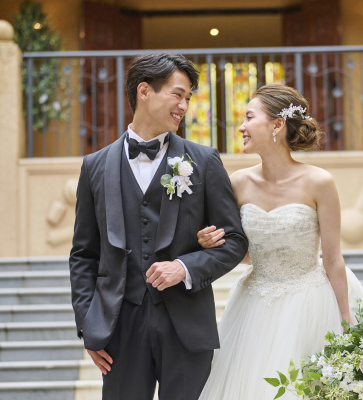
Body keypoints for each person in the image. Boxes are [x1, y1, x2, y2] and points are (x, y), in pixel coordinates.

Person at [197, 84, 363, 400]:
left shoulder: (319, 182)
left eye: (249, 117)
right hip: (254, 306)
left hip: (310, 303)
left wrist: (346, 319)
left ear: (277, 125)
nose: (241, 127)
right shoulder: (237, 183)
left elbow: (333, 258)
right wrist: (214, 243)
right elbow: (246, 255)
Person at [69, 53, 248, 400]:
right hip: (119, 327)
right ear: (144, 92)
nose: (184, 106)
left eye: (188, 98)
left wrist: (185, 267)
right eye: (177, 95)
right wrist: (88, 326)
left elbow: (235, 240)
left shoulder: (205, 160)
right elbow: (83, 255)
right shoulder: (94, 167)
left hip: (187, 327)